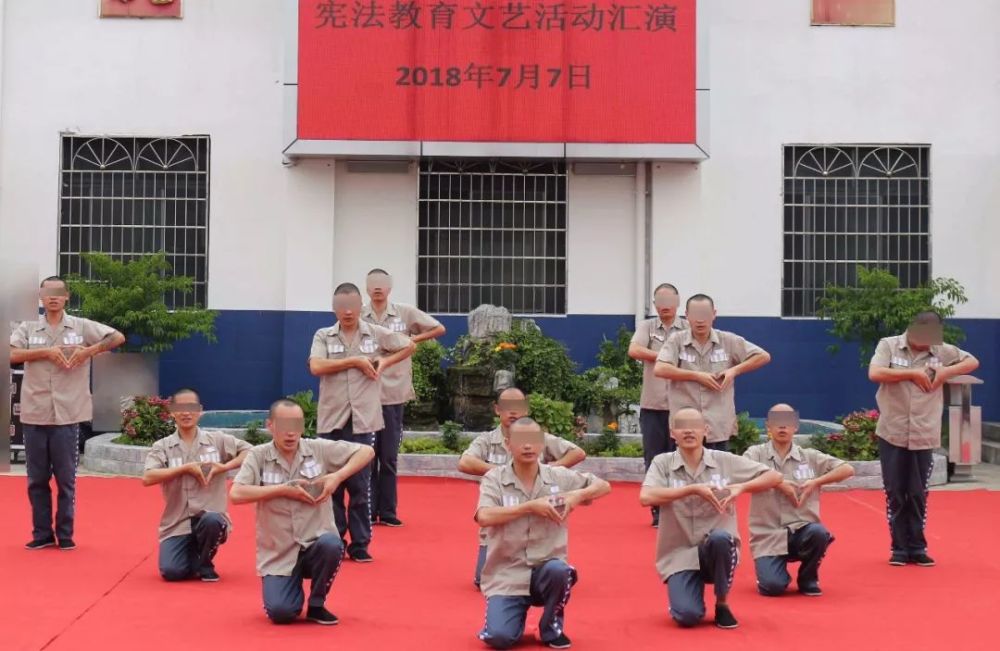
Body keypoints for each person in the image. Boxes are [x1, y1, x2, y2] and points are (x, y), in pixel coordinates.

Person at [231, 399, 376, 625]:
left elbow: (366, 451)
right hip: (279, 553)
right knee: (281, 613)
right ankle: (285, 588)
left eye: (296, 425)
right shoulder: (258, 455)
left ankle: (317, 604)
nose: (291, 433)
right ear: (270, 425)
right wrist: (282, 490)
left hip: (315, 544)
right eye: (284, 425)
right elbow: (236, 494)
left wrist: (337, 477)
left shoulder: (317, 448)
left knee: (332, 544)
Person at [10, 276, 125, 550]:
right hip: (35, 413)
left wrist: (89, 352)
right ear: (40, 296)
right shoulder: (27, 328)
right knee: (36, 479)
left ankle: (65, 535)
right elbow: (11, 354)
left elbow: (117, 337)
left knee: (66, 478)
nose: (53, 297)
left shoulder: (81, 326)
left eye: (58, 293)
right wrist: (46, 352)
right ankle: (41, 535)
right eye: (48, 292)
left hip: (68, 414)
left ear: (66, 297)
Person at [639, 407, 782, 629]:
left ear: (705, 431)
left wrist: (740, 487)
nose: (689, 431)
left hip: (717, 547)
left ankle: (722, 603)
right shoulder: (662, 462)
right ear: (672, 433)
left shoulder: (724, 461)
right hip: (680, 553)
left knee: (721, 538)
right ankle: (686, 597)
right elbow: (646, 497)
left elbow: (774, 476)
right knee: (687, 617)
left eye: (695, 426)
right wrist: (692, 489)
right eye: (682, 426)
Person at [475, 417, 610, 650]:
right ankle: (510, 616)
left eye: (533, 441)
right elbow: (484, 516)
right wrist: (529, 507)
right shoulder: (494, 479)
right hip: (507, 574)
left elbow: (603, 485)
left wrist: (576, 496)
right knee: (499, 638)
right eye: (520, 441)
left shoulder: (557, 476)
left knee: (560, 570)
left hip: (546, 569)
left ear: (542, 444)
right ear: (508, 444)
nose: (528, 446)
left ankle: (549, 627)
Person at [308, 282, 414, 562]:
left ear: (360, 307)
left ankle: (360, 543)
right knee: (331, 485)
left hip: (364, 421)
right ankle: (334, 539)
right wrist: (354, 361)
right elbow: (316, 366)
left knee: (360, 485)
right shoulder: (324, 335)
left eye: (352, 306)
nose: (347, 311)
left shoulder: (375, 333)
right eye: (341, 306)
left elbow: (408, 345)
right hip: (331, 420)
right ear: (334, 309)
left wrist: (385, 363)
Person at [868, 311, 979, 567]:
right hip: (893, 430)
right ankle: (898, 547)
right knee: (896, 492)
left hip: (924, 433)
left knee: (918, 493)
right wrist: (912, 374)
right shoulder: (889, 344)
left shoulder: (941, 351)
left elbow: (972, 361)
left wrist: (943, 374)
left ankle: (917, 546)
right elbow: (875, 373)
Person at [458, 387, 587, 588]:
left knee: (546, 579)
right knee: (483, 581)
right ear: (496, 409)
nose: (513, 412)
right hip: (499, 532)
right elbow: (465, 462)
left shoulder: (538, 438)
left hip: (539, 531)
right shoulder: (487, 440)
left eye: (518, 407)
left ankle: (549, 573)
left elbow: (577, 453)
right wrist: (502, 472)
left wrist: (549, 469)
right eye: (507, 407)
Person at [362, 268, 446, 527]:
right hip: (365, 393)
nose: (377, 288)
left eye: (382, 284)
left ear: (389, 287)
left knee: (388, 456)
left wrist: (410, 340)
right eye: (373, 284)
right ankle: (366, 511)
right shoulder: (360, 315)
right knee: (367, 455)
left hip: (393, 392)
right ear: (367, 287)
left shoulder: (404, 312)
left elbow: (438, 328)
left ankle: (387, 512)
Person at [743, 404, 855, 596]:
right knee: (772, 587)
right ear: (768, 426)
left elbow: (847, 469)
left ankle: (808, 576)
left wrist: (816, 481)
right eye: (777, 423)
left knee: (819, 533)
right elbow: (744, 477)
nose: (782, 427)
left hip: (801, 529)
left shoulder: (809, 456)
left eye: (787, 423)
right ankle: (773, 572)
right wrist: (778, 484)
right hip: (768, 535)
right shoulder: (755, 454)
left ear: (796, 426)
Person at [142, 388, 252, 582]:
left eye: (191, 408)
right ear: (172, 412)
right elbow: (148, 477)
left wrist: (224, 467)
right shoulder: (163, 446)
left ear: (200, 411)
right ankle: (195, 555)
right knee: (172, 572)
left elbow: (251, 452)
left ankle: (205, 560)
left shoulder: (217, 440)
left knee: (212, 521)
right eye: (180, 408)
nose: (186, 413)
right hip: (177, 522)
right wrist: (184, 469)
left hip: (209, 517)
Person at [654, 294, 770, 451]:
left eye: (705, 315)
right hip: (685, 425)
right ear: (687, 315)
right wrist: (696, 376)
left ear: (714, 314)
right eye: (695, 315)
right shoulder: (677, 340)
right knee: (683, 471)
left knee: (717, 471)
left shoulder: (727, 340)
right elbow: (660, 369)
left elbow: (763, 356)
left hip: (718, 423)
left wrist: (734, 370)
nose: (700, 320)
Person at [628, 282, 689, 526]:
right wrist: (664, 356)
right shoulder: (647, 326)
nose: (665, 307)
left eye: (669, 302)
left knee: (681, 457)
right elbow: (634, 349)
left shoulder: (687, 327)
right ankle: (658, 509)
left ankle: (679, 508)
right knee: (654, 457)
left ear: (677, 303)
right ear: (654, 305)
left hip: (682, 406)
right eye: (660, 302)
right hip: (652, 404)